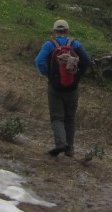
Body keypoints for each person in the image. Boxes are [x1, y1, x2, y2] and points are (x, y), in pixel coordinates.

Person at [34, 19, 91, 157]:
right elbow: (87, 60)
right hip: (72, 87)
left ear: (54, 32)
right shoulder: (75, 43)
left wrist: (49, 75)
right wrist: (77, 75)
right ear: (67, 31)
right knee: (70, 118)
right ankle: (70, 149)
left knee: (57, 118)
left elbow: (38, 61)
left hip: (55, 88)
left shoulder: (49, 44)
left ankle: (61, 143)